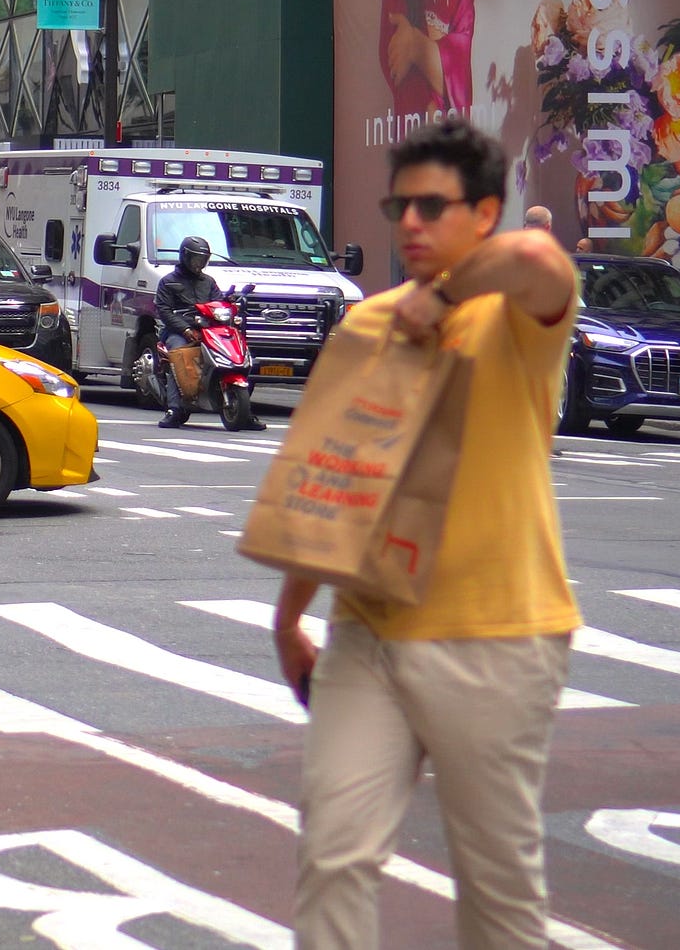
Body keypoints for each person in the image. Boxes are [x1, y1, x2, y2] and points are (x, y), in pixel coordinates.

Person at [272, 118, 578, 949]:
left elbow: (541, 261)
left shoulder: (514, 323)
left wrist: (441, 297)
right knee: (333, 857)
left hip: (497, 639)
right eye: (399, 205)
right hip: (366, 634)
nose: (409, 223)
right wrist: (288, 616)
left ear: (486, 213)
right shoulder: (367, 327)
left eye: (433, 206)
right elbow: (332, 484)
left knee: (498, 892)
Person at [154, 235, 220, 429]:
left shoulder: (209, 282)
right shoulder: (168, 282)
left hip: (207, 330)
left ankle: (244, 410)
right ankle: (173, 409)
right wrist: (185, 329)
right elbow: (164, 311)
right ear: (185, 257)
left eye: (202, 259)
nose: (199, 264)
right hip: (177, 332)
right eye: (195, 259)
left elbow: (218, 303)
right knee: (179, 356)